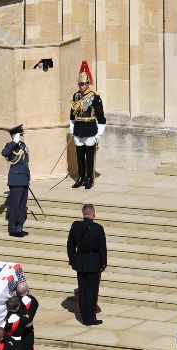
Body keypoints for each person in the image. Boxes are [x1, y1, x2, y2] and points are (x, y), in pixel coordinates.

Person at [67, 204, 107, 325]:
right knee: (92, 292)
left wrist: (73, 260)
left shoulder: (75, 226)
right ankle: (90, 318)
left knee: (83, 290)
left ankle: (84, 316)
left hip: (80, 262)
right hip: (94, 263)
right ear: (93, 214)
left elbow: (70, 245)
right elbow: (102, 248)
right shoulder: (98, 228)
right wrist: (103, 263)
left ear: (83, 213)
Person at [69, 60, 107, 189]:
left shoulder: (95, 97)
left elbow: (101, 116)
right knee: (79, 155)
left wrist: (99, 133)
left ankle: (89, 178)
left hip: (90, 129)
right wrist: (72, 128)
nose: (81, 86)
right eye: (80, 84)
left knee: (89, 156)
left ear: (88, 84)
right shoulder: (75, 96)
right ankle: (81, 177)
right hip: (78, 130)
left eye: (83, 84)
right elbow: (72, 114)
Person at [2, 124, 31, 237]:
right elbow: (4, 153)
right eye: (19, 135)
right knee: (15, 206)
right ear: (14, 136)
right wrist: (14, 142)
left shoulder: (23, 145)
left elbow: (25, 163)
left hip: (23, 179)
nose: (21, 137)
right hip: (16, 180)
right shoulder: (10, 145)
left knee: (22, 206)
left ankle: (19, 227)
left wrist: (28, 178)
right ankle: (13, 229)